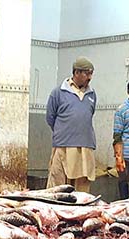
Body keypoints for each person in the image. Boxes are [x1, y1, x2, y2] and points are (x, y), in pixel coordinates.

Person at [46, 57, 97, 192]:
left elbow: (89, 115)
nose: (90, 77)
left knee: (81, 188)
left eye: (91, 73)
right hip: (63, 146)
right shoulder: (58, 92)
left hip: (85, 147)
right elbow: (50, 118)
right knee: (58, 186)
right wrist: (64, 131)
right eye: (87, 73)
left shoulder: (92, 94)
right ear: (76, 73)